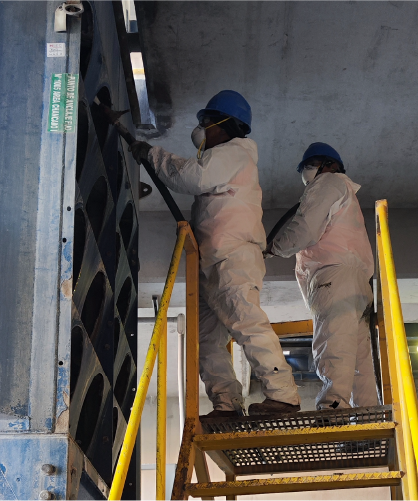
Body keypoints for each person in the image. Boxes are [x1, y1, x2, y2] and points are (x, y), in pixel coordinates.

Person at [130, 90, 300, 417]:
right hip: (211, 263)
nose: (202, 129)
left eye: (207, 122)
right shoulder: (224, 159)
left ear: (226, 125)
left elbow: (194, 177)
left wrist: (153, 155)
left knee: (246, 324)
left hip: (232, 257)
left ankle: (284, 395)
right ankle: (226, 404)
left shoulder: (235, 152)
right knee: (206, 341)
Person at [265, 142, 378, 410]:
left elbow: (304, 230)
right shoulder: (344, 192)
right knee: (358, 357)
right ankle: (369, 418)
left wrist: (270, 248)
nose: (307, 172)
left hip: (333, 275)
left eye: (310, 164)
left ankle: (333, 408)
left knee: (333, 341)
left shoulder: (327, 183)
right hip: (356, 283)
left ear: (329, 165)